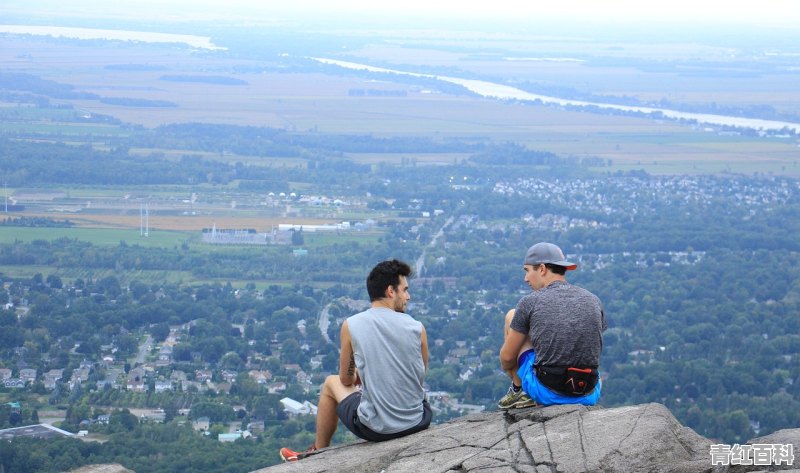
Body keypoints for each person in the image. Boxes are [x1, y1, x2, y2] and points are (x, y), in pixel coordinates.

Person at [280, 259, 432, 462]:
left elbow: (345, 380)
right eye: (405, 290)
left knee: (329, 384)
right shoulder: (417, 328)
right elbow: (418, 377)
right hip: (418, 420)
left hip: (378, 429)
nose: (408, 296)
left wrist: (359, 374)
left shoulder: (352, 325)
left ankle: (317, 454)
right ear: (390, 291)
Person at [498, 242, 606, 409]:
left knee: (511, 316)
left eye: (527, 270)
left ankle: (518, 390)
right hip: (588, 393)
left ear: (542, 269)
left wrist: (511, 371)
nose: (525, 278)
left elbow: (507, 357)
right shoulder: (593, 300)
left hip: (546, 392)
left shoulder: (530, 302)